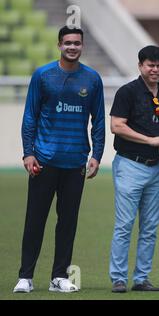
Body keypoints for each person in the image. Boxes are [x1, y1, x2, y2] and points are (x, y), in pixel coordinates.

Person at [14, 26, 105, 293]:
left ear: (82, 46)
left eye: (77, 43)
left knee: (67, 223)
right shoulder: (43, 75)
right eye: (67, 43)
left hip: (75, 162)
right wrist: (28, 152)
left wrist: (96, 155)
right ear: (59, 45)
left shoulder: (93, 79)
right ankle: (25, 277)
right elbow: (30, 116)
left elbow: (98, 120)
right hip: (43, 161)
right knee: (35, 220)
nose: (72, 47)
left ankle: (58, 277)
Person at [109, 45, 159, 293]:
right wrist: (150, 140)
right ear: (140, 66)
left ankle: (141, 278)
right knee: (124, 224)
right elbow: (116, 126)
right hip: (130, 165)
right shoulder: (127, 92)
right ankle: (118, 278)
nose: (155, 69)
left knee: (150, 227)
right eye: (150, 64)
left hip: (157, 169)